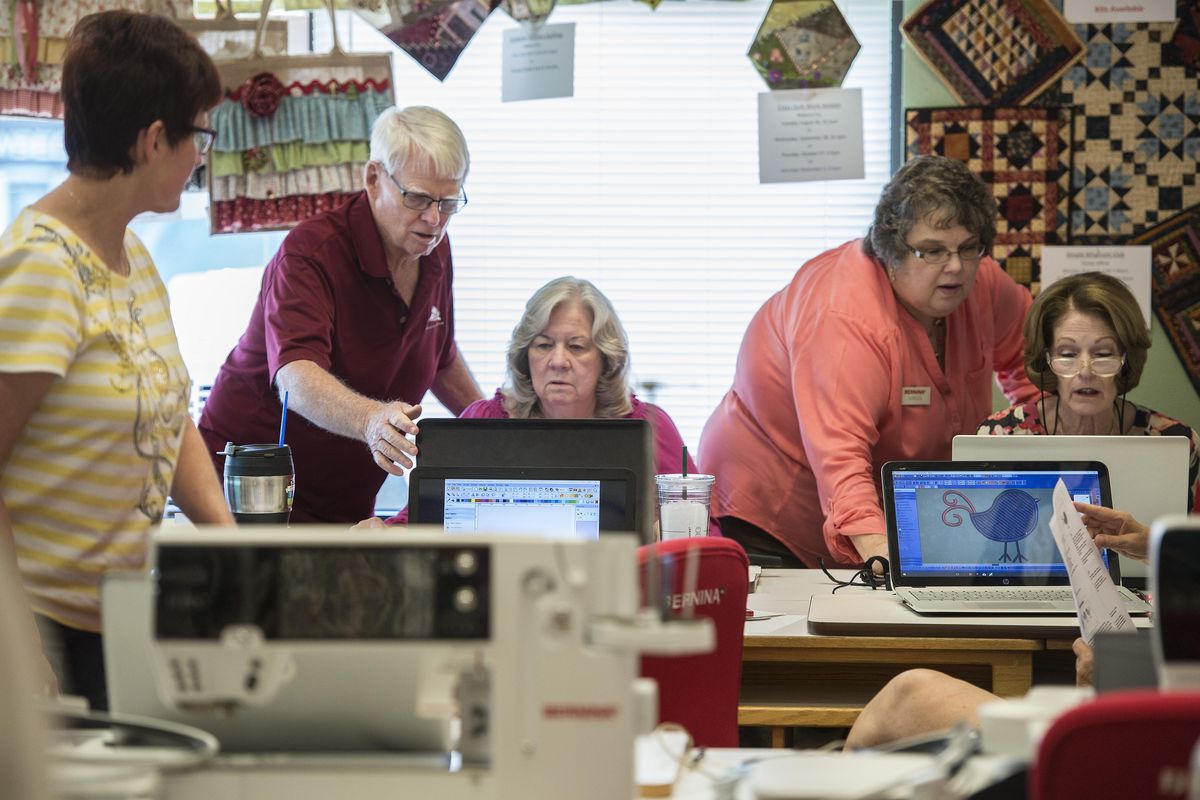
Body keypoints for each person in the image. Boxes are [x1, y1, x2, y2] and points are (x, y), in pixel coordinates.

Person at [0, 11, 233, 710]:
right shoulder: (44, 268)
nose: (202, 154)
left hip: (118, 621)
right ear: (154, 140)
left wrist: (231, 548)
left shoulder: (131, 259)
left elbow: (170, 415)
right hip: (42, 632)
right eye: (200, 133)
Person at [699, 156, 1037, 568]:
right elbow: (842, 462)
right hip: (776, 501)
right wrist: (883, 559)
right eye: (931, 251)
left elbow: (1037, 366)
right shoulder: (843, 319)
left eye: (969, 248)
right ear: (891, 250)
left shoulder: (980, 281)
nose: (955, 267)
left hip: (891, 502)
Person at [198, 106, 484, 523]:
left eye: (448, 202)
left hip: (343, 496)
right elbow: (295, 374)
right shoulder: (310, 253)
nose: (434, 219)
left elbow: (438, 354)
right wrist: (372, 421)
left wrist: (495, 429)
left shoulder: (433, 249)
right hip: (254, 492)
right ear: (373, 178)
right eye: (418, 198)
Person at [375, 276, 715, 533]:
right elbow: (420, 520)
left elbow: (706, 535)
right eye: (543, 345)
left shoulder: (649, 427)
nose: (558, 361)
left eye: (577, 347)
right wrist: (378, 532)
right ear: (525, 356)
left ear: (606, 360)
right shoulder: (486, 420)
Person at [844, 501, 1149, 749]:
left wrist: (1102, 691)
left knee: (905, 696)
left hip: (1131, 731)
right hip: (1146, 708)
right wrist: (1152, 548)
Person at [978, 271, 1199, 509]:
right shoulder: (999, 436)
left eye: (1103, 354)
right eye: (1068, 354)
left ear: (1126, 362)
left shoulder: (1175, 442)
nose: (1085, 371)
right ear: (1046, 361)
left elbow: (1184, 543)